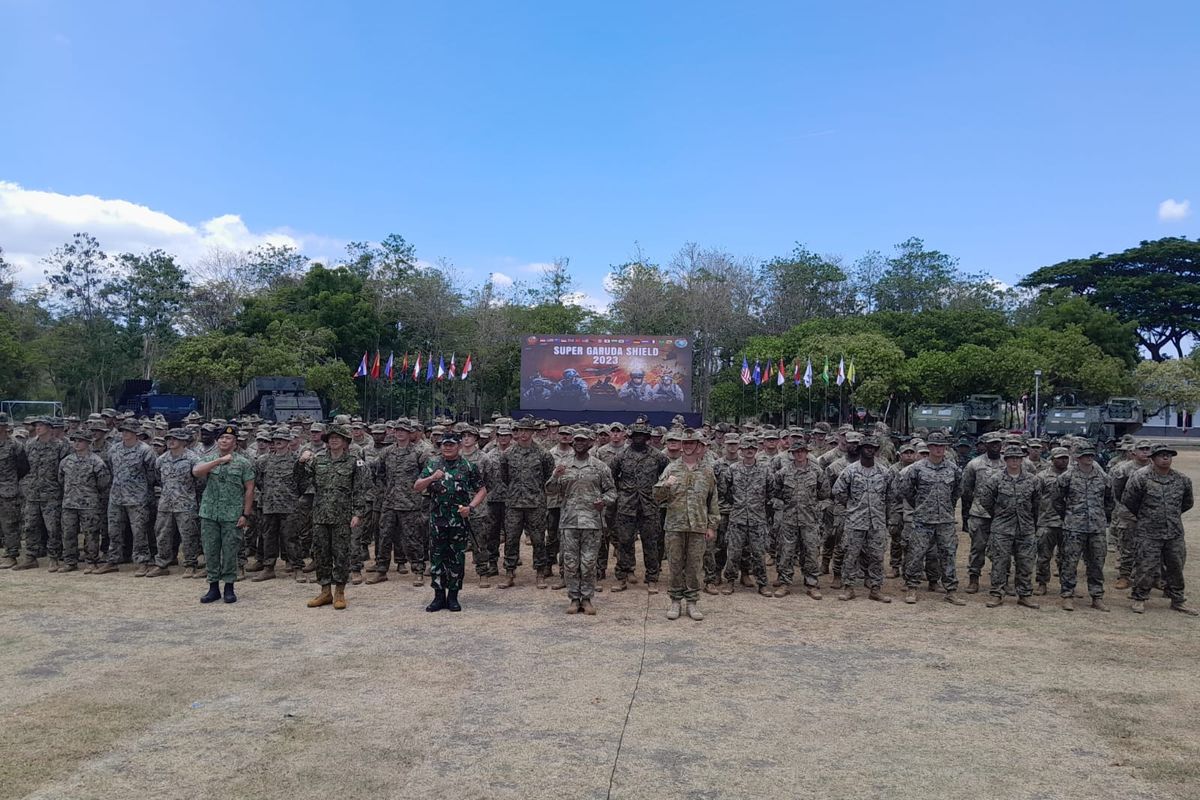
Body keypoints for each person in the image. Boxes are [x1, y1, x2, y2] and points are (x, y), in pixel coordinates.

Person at [296, 423, 370, 610]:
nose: (334, 440)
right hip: (321, 514)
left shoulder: (354, 461)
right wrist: (300, 462)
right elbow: (299, 480)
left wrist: (358, 513)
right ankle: (325, 590)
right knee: (321, 553)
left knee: (341, 554)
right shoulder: (318, 460)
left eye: (338, 437)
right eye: (331, 438)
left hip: (343, 516)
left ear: (345, 442)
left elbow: (360, 489)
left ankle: (339, 591)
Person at [414, 432, 487, 612]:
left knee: (456, 558)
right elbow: (417, 486)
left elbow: (482, 490)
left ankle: (453, 596)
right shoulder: (433, 464)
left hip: (458, 521)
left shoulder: (468, 466)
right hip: (437, 520)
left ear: (459, 446)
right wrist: (432, 478)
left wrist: (470, 507)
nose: (447, 447)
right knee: (437, 558)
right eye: (444, 444)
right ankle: (438, 597)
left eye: (451, 444)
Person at [1122, 443, 1196, 615]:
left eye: (1168, 455)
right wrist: (1149, 517)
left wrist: (1169, 516)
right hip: (1148, 532)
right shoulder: (1140, 477)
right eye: (1161, 455)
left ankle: (1177, 599)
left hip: (1174, 532)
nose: (1165, 458)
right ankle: (1139, 598)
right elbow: (1129, 501)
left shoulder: (1182, 479)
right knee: (1145, 566)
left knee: (1176, 565)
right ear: (1152, 458)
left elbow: (1187, 503)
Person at [653, 430, 719, 621]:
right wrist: (665, 486)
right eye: (686, 443)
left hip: (698, 526)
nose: (689, 446)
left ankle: (692, 602)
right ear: (682, 446)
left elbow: (713, 501)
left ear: (699, 447)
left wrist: (711, 526)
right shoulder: (671, 469)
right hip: (675, 525)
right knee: (675, 564)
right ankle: (675, 600)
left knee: (694, 566)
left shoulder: (707, 472)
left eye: (692, 443)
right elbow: (657, 498)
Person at [547, 429, 615, 614]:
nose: (578, 443)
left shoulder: (600, 467)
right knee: (570, 562)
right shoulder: (563, 465)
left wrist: (604, 501)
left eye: (583, 440)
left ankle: (587, 598)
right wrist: (555, 476)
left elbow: (612, 492)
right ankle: (574, 598)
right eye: (576, 440)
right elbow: (550, 490)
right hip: (569, 522)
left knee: (588, 562)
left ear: (590, 443)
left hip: (592, 522)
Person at [897, 432, 965, 605]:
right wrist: (920, 506)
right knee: (916, 554)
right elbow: (907, 490)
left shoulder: (953, 469)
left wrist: (946, 506)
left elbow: (957, 491)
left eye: (941, 446)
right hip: (923, 519)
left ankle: (951, 590)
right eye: (934, 446)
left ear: (946, 448)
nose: (938, 449)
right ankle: (912, 587)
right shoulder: (917, 468)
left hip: (945, 520)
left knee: (948, 554)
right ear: (929, 447)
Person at [192, 424, 255, 604]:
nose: (224, 440)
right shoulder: (208, 459)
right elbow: (196, 472)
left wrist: (246, 514)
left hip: (232, 514)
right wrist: (219, 461)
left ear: (235, 443)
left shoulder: (243, 463)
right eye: (221, 438)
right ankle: (213, 587)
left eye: (228, 438)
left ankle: (229, 587)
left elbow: (249, 490)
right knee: (210, 550)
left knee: (229, 551)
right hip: (209, 513)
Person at [977, 445, 1041, 609]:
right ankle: (997, 594)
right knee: (999, 562)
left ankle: (1025, 595)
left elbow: (1038, 504)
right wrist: (999, 515)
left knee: (1025, 563)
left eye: (1018, 458)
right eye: (1011, 458)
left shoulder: (1032, 480)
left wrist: (1030, 520)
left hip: (1025, 528)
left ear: (1022, 460)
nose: (1014, 461)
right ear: (1005, 460)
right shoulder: (995, 479)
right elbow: (986, 501)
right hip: (1002, 528)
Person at [831, 435, 894, 603]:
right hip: (855, 520)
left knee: (877, 556)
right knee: (850, 554)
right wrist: (853, 504)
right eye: (866, 447)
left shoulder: (884, 472)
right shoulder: (850, 471)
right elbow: (838, 491)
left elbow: (890, 495)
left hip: (877, 521)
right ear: (860, 449)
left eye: (873, 447)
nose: (870, 450)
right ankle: (848, 588)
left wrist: (882, 511)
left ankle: (875, 588)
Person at [1053, 444, 1114, 611]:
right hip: (1074, 527)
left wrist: (1103, 517)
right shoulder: (1067, 477)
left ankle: (1097, 596)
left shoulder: (1103, 477)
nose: (1089, 458)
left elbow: (1110, 501)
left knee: (1096, 563)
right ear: (1077, 458)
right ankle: (1067, 595)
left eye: (1091, 455)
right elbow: (1057, 500)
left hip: (1096, 528)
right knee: (1069, 562)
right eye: (1085, 455)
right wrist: (1068, 516)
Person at [498, 417, 555, 588]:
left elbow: (548, 477)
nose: (523, 434)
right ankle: (509, 572)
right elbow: (505, 478)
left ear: (533, 432)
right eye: (520, 430)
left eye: (527, 430)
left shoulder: (543, 454)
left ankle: (540, 573)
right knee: (511, 539)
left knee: (538, 539)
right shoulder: (507, 454)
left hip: (535, 503)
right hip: (514, 503)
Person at [372, 420, 430, 586]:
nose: (400, 433)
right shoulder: (387, 452)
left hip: (410, 503)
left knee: (413, 538)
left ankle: (418, 570)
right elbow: (378, 473)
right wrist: (384, 491)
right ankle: (381, 570)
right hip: (389, 502)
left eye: (404, 430)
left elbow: (426, 475)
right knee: (384, 537)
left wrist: (417, 492)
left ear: (410, 432)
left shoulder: (419, 453)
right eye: (397, 430)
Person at [771, 439, 830, 599]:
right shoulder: (783, 472)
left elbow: (825, 495)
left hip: (810, 520)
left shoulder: (816, 472)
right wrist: (781, 508)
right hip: (789, 520)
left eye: (802, 451)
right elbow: (774, 493)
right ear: (791, 454)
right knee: (786, 552)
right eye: (796, 452)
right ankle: (784, 583)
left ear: (807, 453)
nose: (799, 454)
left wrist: (817, 509)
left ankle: (812, 584)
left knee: (811, 552)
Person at [718, 436, 771, 597]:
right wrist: (738, 504)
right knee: (733, 552)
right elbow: (724, 490)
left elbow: (771, 490)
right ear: (741, 450)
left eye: (752, 448)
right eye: (746, 448)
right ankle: (730, 581)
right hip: (737, 517)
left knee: (759, 553)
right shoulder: (732, 469)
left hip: (757, 518)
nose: (749, 451)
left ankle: (762, 583)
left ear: (756, 450)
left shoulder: (765, 470)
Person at [252, 429, 303, 582]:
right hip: (269, 505)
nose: (278, 441)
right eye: (276, 439)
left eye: (282, 439)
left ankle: (297, 567)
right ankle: (268, 568)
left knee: (291, 538)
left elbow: (303, 482)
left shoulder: (297, 460)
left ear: (289, 441)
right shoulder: (263, 460)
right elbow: (259, 481)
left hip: (290, 505)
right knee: (268, 537)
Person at [16, 418, 66, 571]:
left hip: (51, 494)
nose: (37, 428)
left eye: (41, 425)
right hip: (32, 493)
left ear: (50, 428)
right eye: (36, 426)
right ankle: (31, 556)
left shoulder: (60, 446)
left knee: (53, 528)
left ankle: (54, 557)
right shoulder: (30, 444)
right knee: (30, 525)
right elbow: (23, 466)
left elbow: (64, 469)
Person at [150, 428, 202, 578]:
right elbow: (158, 479)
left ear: (184, 441)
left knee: (189, 535)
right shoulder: (161, 459)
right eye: (169, 439)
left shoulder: (193, 459)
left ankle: (190, 564)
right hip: (166, 503)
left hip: (185, 503)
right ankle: (162, 564)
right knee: (162, 534)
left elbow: (199, 482)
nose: (171, 441)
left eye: (175, 439)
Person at [58, 430, 111, 573]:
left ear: (88, 443)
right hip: (69, 503)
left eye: (80, 441)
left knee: (91, 533)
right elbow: (61, 479)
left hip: (89, 504)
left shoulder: (96, 461)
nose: (77, 443)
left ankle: (91, 561)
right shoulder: (66, 461)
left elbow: (104, 482)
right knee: (68, 533)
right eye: (75, 440)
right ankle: (70, 561)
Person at [960, 431, 1005, 593]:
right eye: (992, 443)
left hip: (1002, 515)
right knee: (978, 548)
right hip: (979, 513)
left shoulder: (1008, 464)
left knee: (1002, 550)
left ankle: (1000, 581)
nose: (995, 445)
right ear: (985, 445)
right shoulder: (975, 464)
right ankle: (974, 579)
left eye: (998, 443)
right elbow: (966, 489)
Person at [1033, 447, 1071, 595]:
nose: (1063, 460)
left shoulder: (1073, 475)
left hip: (1068, 522)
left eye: (1065, 458)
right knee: (1043, 556)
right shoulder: (1042, 477)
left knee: (1067, 556)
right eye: (1060, 458)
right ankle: (1042, 583)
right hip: (1046, 521)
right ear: (1052, 459)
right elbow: (1035, 499)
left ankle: (1066, 584)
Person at [0, 414, 29, 569]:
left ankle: (12, 555)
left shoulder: (15, 445)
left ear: (5, 427)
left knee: (10, 524)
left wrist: (10, 481)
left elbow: (23, 467)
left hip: (8, 490)